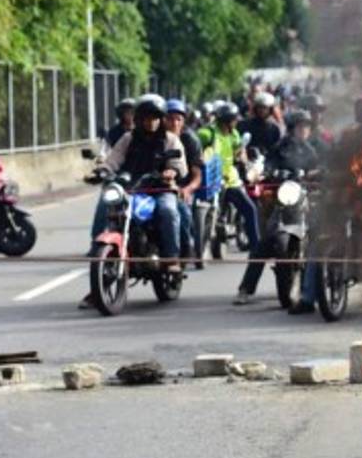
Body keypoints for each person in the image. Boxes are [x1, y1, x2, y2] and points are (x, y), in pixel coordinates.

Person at [80, 96, 187, 308]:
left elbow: (179, 164)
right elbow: (114, 159)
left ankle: (171, 259)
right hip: (131, 189)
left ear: (161, 119)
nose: (151, 122)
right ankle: (97, 261)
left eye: (155, 118)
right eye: (147, 117)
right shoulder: (128, 138)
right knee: (105, 204)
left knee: (168, 211)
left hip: (159, 189)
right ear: (139, 119)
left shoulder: (170, 140)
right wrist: (102, 171)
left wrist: (171, 171)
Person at [236, 110, 321, 305]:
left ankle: (318, 289)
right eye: (300, 126)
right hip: (285, 199)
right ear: (291, 128)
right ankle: (245, 289)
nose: (304, 130)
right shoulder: (280, 147)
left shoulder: (312, 150)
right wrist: (267, 172)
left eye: (306, 126)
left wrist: (317, 175)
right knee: (265, 242)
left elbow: (321, 167)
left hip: (308, 197)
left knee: (320, 237)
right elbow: (268, 164)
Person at [199, 103, 261, 283]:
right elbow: (195, 144)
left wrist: (242, 157)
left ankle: (256, 248)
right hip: (211, 179)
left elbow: (239, 151)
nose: (235, 123)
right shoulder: (208, 133)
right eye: (233, 120)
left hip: (230, 180)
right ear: (227, 120)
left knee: (250, 208)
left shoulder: (234, 134)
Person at [163, 100, 204, 266]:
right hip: (157, 187)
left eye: (178, 119)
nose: (174, 123)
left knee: (184, 214)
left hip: (183, 188)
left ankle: (186, 250)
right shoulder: (157, 137)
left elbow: (197, 176)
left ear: (183, 121)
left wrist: (186, 190)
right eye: (170, 119)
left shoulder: (190, 140)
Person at [239, 91, 284, 156]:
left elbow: (276, 148)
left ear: (270, 110)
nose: (261, 110)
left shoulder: (274, 128)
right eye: (259, 107)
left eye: (265, 108)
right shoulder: (245, 124)